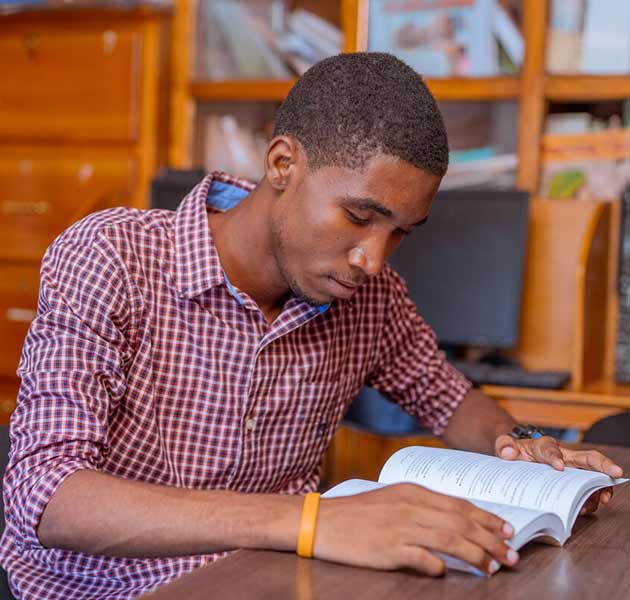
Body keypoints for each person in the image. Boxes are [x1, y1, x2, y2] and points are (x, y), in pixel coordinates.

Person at [0, 52, 622, 600]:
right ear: (282, 163)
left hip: (272, 582)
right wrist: (311, 521)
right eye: (359, 216)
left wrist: (526, 453)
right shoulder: (112, 256)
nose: (373, 260)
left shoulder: (370, 297)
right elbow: (48, 497)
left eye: (400, 232)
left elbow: (452, 399)